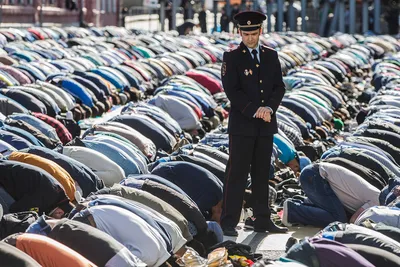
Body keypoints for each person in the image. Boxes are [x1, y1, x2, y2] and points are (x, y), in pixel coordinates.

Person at [220, 11, 287, 236]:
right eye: (245, 33)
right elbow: (232, 90)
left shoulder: (270, 55)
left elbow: (279, 86)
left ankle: (262, 219)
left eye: (253, 32)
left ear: (260, 31)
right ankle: (229, 222)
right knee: (237, 174)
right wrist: (255, 110)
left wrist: (269, 108)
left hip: (266, 123)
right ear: (239, 32)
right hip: (242, 126)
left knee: (262, 174)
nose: (250, 37)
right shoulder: (232, 57)